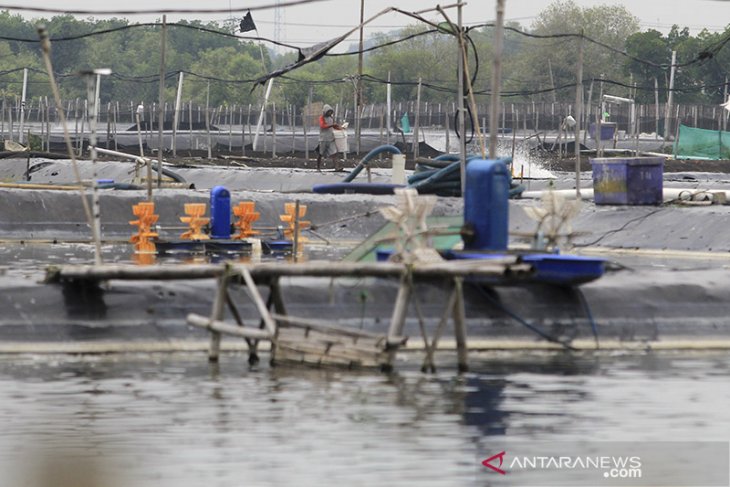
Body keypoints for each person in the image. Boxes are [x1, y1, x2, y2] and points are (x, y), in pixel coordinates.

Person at [317, 104, 342, 171]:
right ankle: (318, 168)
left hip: (330, 138)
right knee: (320, 153)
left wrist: (341, 128)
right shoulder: (322, 118)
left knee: (334, 153)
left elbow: (334, 126)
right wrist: (332, 125)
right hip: (323, 139)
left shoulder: (331, 118)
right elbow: (323, 126)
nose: (330, 113)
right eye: (329, 112)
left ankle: (337, 167)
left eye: (331, 112)